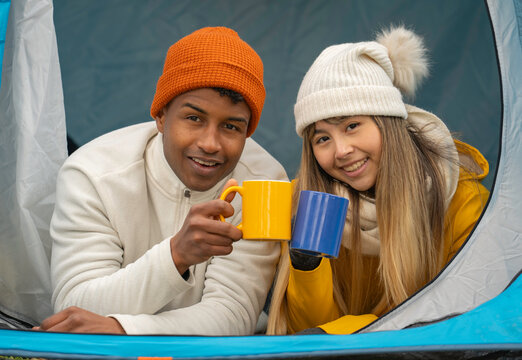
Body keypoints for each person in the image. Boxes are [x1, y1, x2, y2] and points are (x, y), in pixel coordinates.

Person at [36, 26, 288, 335]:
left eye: (232, 127)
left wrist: (122, 328)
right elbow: (74, 308)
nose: (210, 143)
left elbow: (233, 315)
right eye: (194, 118)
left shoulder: (264, 184)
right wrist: (176, 255)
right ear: (160, 115)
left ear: (248, 132)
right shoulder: (93, 174)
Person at [266, 25, 490, 335]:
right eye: (322, 138)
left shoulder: (458, 198)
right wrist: (307, 266)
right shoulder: (309, 202)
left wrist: (358, 330)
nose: (341, 151)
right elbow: (307, 334)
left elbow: (465, 315)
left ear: (387, 123)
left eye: (352, 125)